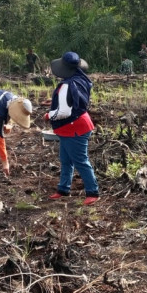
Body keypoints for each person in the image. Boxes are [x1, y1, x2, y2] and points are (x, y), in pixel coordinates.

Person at [44, 52, 100, 205]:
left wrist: (49, 115)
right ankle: (63, 189)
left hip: (74, 127)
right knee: (66, 160)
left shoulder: (66, 85)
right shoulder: (81, 79)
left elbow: (64, 112)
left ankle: (92, 192)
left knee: (81, 161)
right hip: (76, 124)